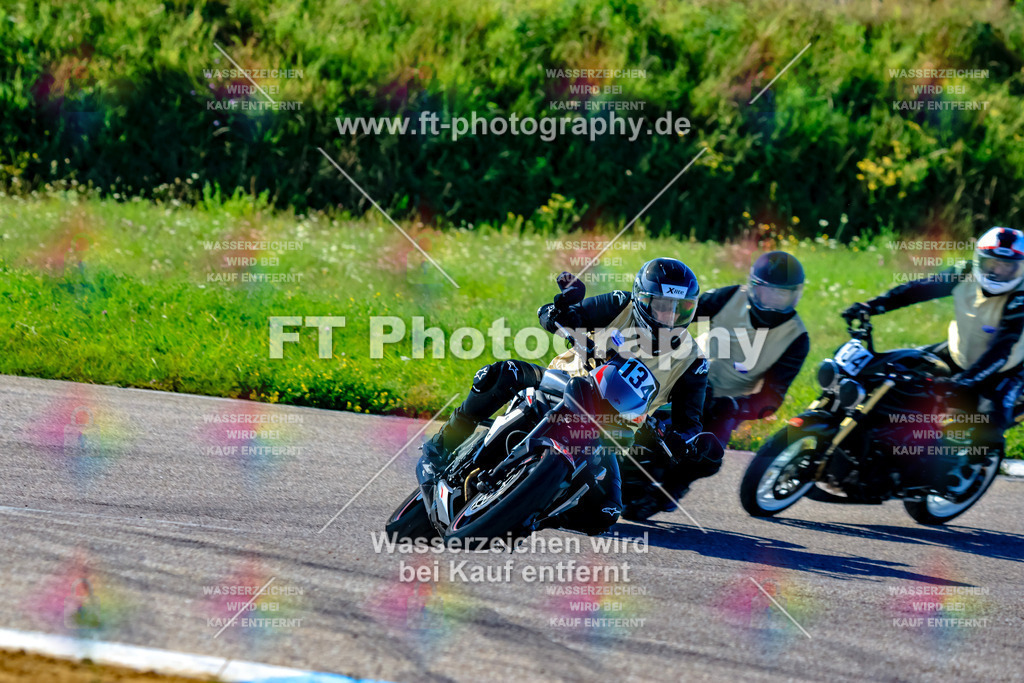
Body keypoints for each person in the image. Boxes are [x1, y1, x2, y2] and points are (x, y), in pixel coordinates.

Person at [421, 257, 724, 533]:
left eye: (679, 308)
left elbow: (689, 423)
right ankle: (446, 440)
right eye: (661, 305)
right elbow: (570, 315)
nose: (669, 316)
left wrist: (685, 443)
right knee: (503, 373)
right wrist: (559, 312)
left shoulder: (693, 361)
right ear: (642, 300)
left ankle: (533, 512)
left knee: (604, 514)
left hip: (610, 429)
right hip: (564, 384)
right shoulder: (621, 304)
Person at [843, 226, 1024, 487]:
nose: (997, 271)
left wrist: (965, 381)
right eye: (992, 262)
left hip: (1006, 369)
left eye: (1007, 266)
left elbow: (1000, 351)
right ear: (978, 260)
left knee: (988, 422)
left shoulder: (1019, 298)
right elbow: (919, 289)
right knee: (891, 374)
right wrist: (872, 306)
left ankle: (965, 471)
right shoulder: (964, 272)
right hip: (956, 351)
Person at [694, 251, 810, 448]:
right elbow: (679, 316)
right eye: (769, 291)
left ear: (794, 295)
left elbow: (772, 397)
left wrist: (735, 407)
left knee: (705, 459)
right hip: (688, 379)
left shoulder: (797, 338)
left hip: (727, 405)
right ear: (754, 288)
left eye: (782, 294)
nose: (774, 300)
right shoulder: (729, 297)